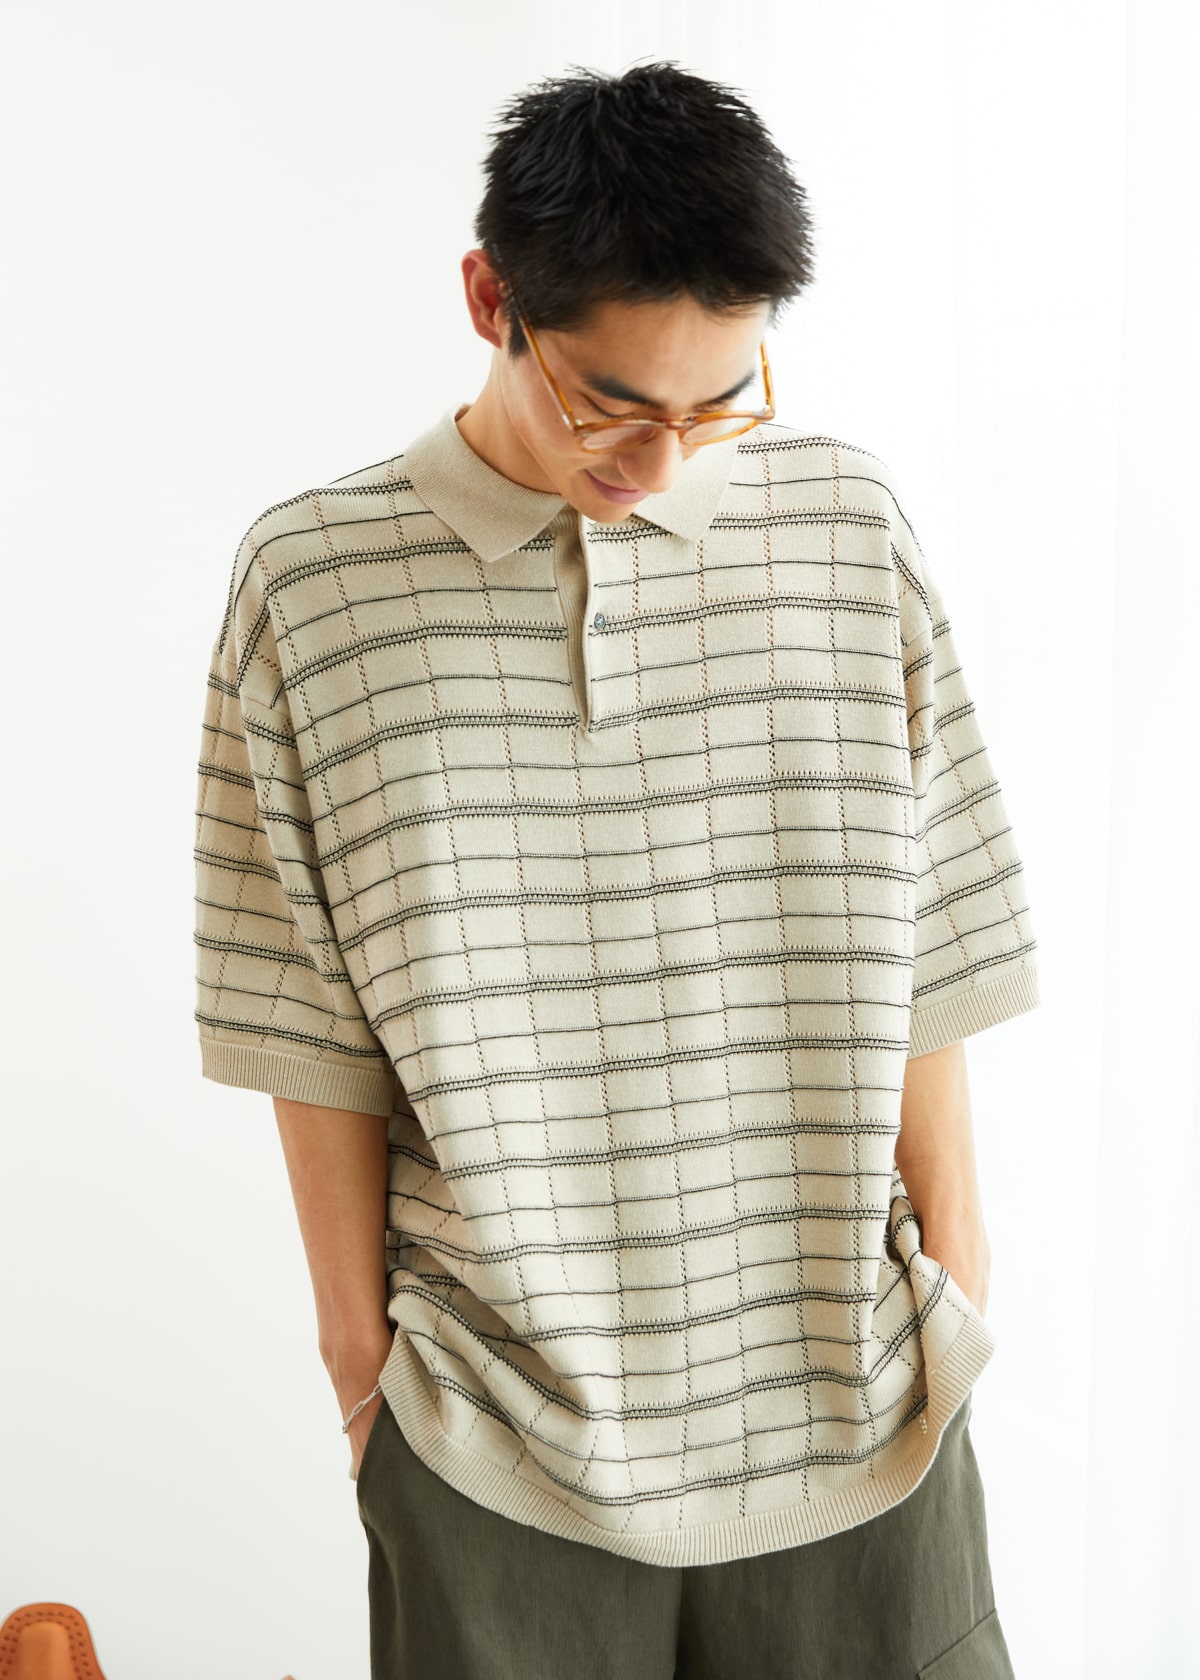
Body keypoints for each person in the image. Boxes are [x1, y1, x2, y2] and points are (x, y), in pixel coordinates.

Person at [193, 60, 1037, 1680]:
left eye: (717, 404)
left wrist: (958, 1276)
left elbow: (934, 934)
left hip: (864, 1414)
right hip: (491, 1446)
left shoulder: (845, 528)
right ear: (489, 299)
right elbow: (302, 1019)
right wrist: (363, 1376)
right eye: (614, 404)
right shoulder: (312, 586)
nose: (662, 459)